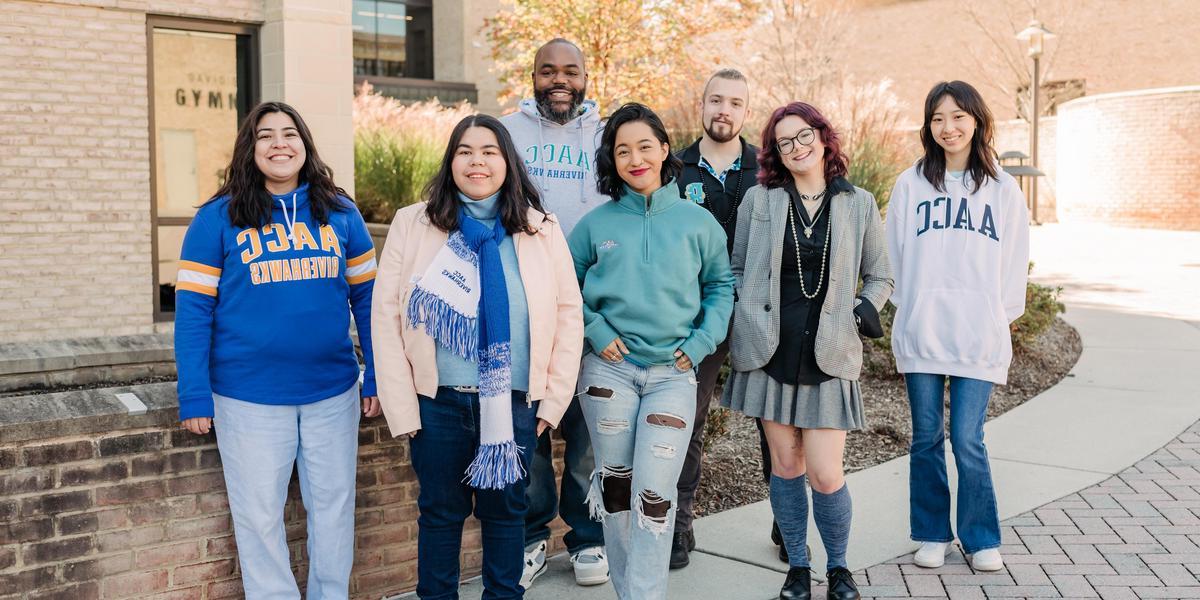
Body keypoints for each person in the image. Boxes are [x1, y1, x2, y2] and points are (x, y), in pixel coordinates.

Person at [371, 114, 584, 599]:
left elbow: (569, 315)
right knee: (440, 516)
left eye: (489, 151)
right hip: (437, 404)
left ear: (507, 161)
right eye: (465, 151)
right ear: (451, 162)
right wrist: (403, 408)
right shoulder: (415, 223)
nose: (477, 161)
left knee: (507, 515)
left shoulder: (539, 229)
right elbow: (385, 318)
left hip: (511, 404)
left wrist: (550, 404)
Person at [175, 101, 380, 599]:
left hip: (332, 391)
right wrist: (194, 394)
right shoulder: (215, 218)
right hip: (246, 397)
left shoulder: (341, 213)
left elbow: (369, 301)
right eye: (265, 136)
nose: (279, 144)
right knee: (259, 515)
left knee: (333, 508)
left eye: (290, 134)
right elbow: (193, 314)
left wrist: (374, 375)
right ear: (250, 149)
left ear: (305, 145)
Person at [722, 102, 893, 600]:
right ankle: (798, 566)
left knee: (824, 470)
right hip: (769, 351)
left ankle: (839, 567)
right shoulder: (760, 201)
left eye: (802, 137)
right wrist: (745, 310)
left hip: (830, 352)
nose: (795, 148)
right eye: (783, 142)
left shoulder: (858, 202)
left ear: (822, 137)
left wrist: (864, 309)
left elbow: (881, 274)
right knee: (786, 466)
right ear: (774, 152)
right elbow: (735, 268)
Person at [568, 102, 735, 599]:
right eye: (622, 150)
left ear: (665, 150)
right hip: (608, 373)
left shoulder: (697, 222)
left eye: (645, 146)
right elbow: (563, 286)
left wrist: (702, 342)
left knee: (655, 497)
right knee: (617, 493)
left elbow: (721, 287)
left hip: (671, 376)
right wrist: (595, 330)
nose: (635, 158)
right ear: (611, 161)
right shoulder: (594, 225)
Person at [886, 80, 1029, 573]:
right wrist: (913, 309)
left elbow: (1014, 265)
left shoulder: (1003, 190)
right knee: (926, 437)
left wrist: (994, 316)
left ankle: (980, 536)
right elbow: (895, 259)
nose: (948, 127)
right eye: (938, 118)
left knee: (968, 439)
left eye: (957, 117)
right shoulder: (910, 185)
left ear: (977, 120)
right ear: (928, 126)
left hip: (977, 334)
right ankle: (931, 533)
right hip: (924, 331)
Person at [499, 37, 609, 588]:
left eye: (570, 71)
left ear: (587, 76)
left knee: (589, 430)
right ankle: (532, 537)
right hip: (526, 310)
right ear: (532, 75)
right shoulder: (506, 133)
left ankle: (589, 538)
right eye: (548, 71)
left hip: (594, 309)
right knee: (530, 434)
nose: (559, 80)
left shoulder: (609, 136)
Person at [671, 67, 779, 569]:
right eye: (716, 100)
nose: (724, 111)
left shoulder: (769, 170)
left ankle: (789, 523)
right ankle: (678, 529)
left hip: (760, 312)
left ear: (746, 112)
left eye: (735, 103)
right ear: (702, 104)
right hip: (697, 315)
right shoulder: (674, 169)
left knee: (775, 421)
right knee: (687, 421)